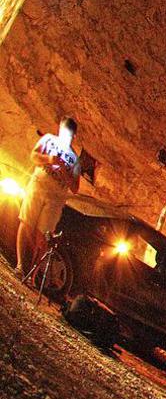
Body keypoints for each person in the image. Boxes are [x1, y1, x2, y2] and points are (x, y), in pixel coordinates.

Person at [16, 118, 81, 283]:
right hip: (38, 186)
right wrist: (50, 160)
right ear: (59, 129)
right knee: (26, 223)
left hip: (56, 197)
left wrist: (65, 173)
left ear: (74, 136)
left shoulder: (74, 158)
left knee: (43, 237)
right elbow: (34, 155)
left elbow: (75, 187)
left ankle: (31, 275)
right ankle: (20, 266)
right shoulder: (49, 139)